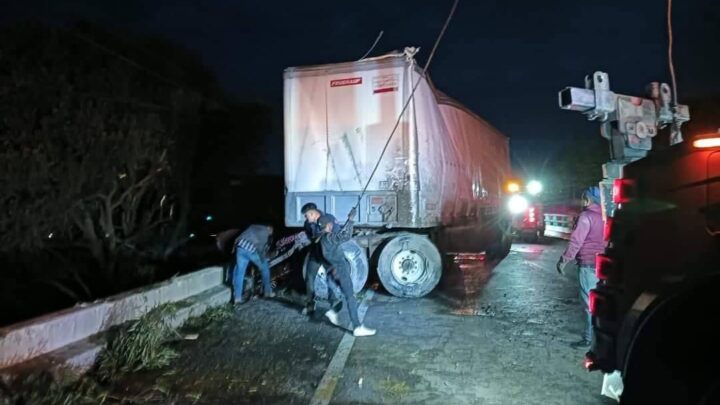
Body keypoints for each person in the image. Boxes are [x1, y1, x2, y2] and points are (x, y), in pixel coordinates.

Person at [557, 186, 606, 348]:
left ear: (589, 199)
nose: (582, 200)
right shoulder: (605, 216)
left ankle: (588, 339)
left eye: (584, 197)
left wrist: (564, 260)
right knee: (600, 302)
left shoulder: (585, 216)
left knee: (589, 304)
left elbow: (576, 242)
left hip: (588, 264)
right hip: (603, 265)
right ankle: (601, 335)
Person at [317, 210, 376, 337]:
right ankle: (357, 327)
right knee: (350, 296)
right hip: (340, 270)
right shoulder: (329, 238)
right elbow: (345, 237)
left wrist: (346, 225)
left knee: (342, 295)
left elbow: (340, 235)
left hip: (331, 271)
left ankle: (333, 312)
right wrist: (350, 220)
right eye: (332, 223)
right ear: (328, 226)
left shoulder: (321, 238)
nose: (333, 225)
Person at [230, 224, 275, 304]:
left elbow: (241, 236)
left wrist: (234, 246)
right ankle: (267, 292)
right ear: (270, 229)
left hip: (240, 248)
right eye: (271, 233)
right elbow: (260, 248)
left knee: (240, 273)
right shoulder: (266, 231)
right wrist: (263, 259)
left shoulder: (253, 226)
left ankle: (237, 298)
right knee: (265, 268)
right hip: (250, 250)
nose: (270, 234)